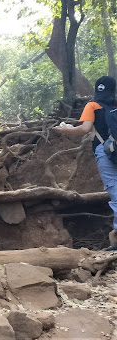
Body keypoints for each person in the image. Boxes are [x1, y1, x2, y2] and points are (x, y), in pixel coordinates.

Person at [55, 76, 117, 250]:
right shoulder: (115, 106)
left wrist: (65, 130)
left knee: (114, 190)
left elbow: (85, 129)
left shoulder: (92, 105)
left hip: (105, 152)